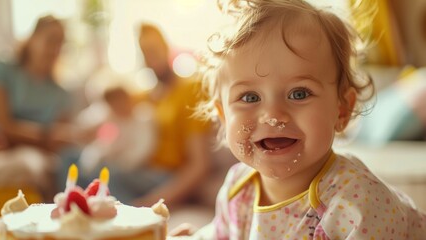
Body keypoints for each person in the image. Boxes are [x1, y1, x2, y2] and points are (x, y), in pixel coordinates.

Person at [170, 0, 426, 239]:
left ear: (341, 110)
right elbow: (223, 232)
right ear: (224, 116)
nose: (272, 116)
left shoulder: (357, 204)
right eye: (249, 97)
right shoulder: (238, 187)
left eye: (299, 93)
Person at [128, 23, 211, 209]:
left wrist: (155, 202)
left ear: (166, 49)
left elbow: (200, 165)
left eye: (153, 50)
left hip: (168, 177)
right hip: (141, 172)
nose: (150, 58)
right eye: (144, 53)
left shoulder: (190, 89)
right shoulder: (146, 97)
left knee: (110, 175)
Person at [0, 15, 77, 207]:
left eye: (60, 43)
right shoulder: (4, 71)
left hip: (39, 155)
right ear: (33, 39)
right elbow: (3, 126)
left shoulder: (62, 93)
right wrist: (45, 135)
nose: (55, 48)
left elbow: (60, 139)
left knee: (36, 166)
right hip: (4, 148)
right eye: (50, 40)